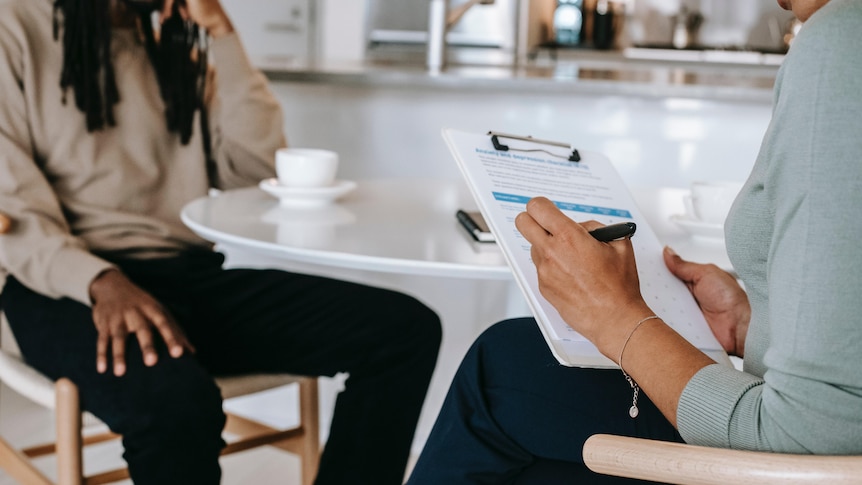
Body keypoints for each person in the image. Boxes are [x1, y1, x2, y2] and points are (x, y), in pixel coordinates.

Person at [406, 0, 862, 483]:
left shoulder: (842, 38)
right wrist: (750, 327)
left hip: (787, 465)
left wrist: (615, 318)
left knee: (503, 368)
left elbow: (809, 442)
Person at [0, 1, 441, 484]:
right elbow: (11, 206)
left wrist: (225, 38)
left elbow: (254, 172)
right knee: (177, 408)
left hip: (186, 274)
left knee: (402, 331)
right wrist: (99, 280)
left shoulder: (174, 50)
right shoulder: (15, 25)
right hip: (60, 285)